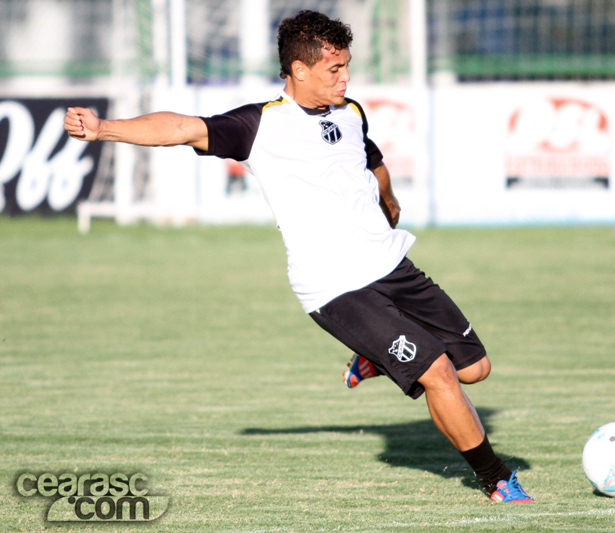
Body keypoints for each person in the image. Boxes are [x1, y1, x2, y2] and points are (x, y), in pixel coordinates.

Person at [64, 10, 533, 504]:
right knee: (437, 373)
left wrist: (388, 198)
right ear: (298, 69)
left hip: (393, 267)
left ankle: (371, 358)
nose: (346, 77)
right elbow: (182, 127)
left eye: (347, 66)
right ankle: (496, 479)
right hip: (335, 289)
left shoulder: (350, 112)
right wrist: (104, 129)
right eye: (335, 69)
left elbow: (370, 158)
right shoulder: (260, 124)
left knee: (474, 369)